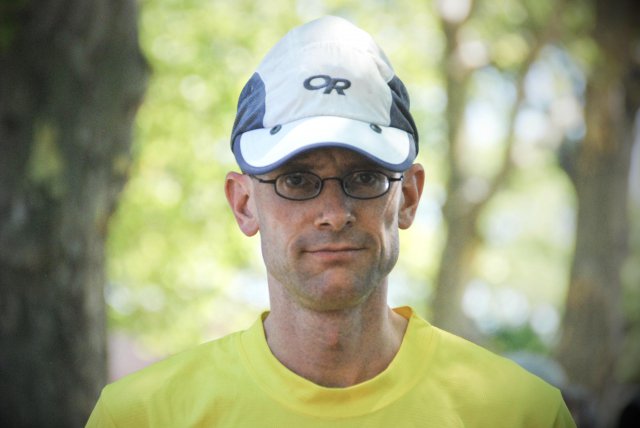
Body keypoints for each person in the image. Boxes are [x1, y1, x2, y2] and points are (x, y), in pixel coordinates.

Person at [87, 16, 576, 427]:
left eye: (365, 177)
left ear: (408, 197)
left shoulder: (520, 413)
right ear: (243, 204)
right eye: (297, 181)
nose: (334, 213)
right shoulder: (142, 417)